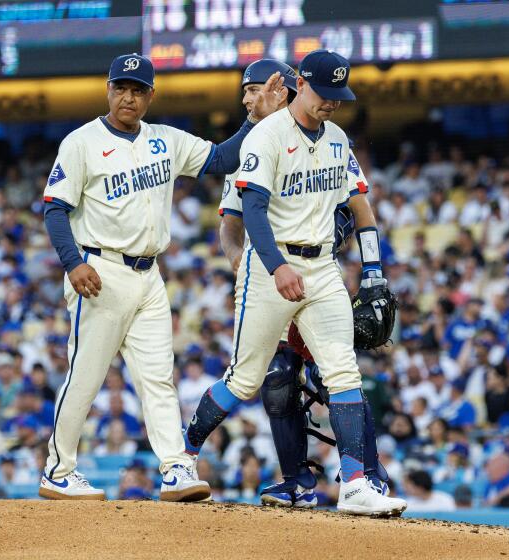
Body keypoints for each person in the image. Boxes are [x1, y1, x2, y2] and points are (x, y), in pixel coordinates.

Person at [38, 53, 284, 501]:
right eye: (120, 88)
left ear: (150, 96)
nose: (127, 97)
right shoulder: (81, 142)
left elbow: (224, 158)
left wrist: (254, 116)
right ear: (108, 90)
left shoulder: (165, 140)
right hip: (101, 270)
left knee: (158, 377)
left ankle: (175, 467)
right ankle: (58, 469)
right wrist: (73, 262)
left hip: (149, 276)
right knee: (86, 376)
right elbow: (55, 209)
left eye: (137, 90)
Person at [183, 50, 406, 517]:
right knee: (246, 380)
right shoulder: (265, 137)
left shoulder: (338, 137)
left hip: (322, 265)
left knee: (343, 371)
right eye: (324, 94)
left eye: (338, 97)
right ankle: (184, 455)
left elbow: (359, 206)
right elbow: (250, 215)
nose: (331, 104)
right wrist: (270, 267)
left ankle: (357, 483)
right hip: (271, 267)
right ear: (300, 84)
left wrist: (371, 270)